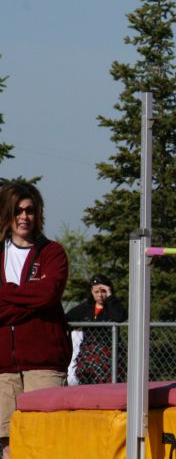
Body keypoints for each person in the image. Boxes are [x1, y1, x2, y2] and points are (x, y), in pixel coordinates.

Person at [0, 182, 71, 459]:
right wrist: (31, 299)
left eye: (30, 210)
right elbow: (39, 298)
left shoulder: (52, 253)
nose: (24, 217)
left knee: (44, 439)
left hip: (44, 364)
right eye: (17, 210)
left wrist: (5, 295)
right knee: (6, 442)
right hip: (2, 368)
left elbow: (48, 294)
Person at [65, 274, 127, 384]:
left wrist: (110, 297)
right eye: (96, 292)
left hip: (109, 355)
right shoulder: (86, 308)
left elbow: (120, 317)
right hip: (88, 357)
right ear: (91, 292)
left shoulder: (112, 306)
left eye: (103, 291)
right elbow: (66, 319)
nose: (100, 295)